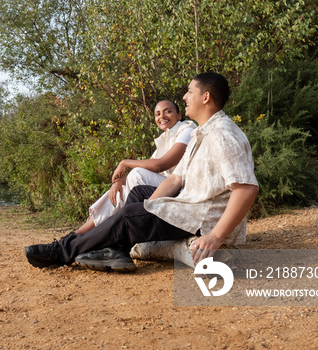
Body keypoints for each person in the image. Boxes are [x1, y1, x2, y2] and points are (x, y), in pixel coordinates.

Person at [24, 72, 259, 271]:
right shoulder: (201, 133)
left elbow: (247, 188)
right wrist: (147, 209)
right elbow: (176, 179)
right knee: (137, 196)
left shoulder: (223, 134)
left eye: (190, 92)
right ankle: (116, 251)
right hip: (191, 205)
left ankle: (61, 251)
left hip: (203, 218)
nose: (185, 97)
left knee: (129, 216)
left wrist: (216, 236)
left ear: (205, 97)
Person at [75, 100, 196, 234]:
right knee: (120, 187)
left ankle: (111, 230)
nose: (162, 116)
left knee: (137, 174)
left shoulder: (186, 130)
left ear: (179, 115)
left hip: (181, 188)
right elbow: (149, 167)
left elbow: (159, 165)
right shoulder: (165, 138)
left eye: (168, 111)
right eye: (157, 114)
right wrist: (120, 182)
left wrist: (124, 162)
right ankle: (83, 231)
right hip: (167, 185)